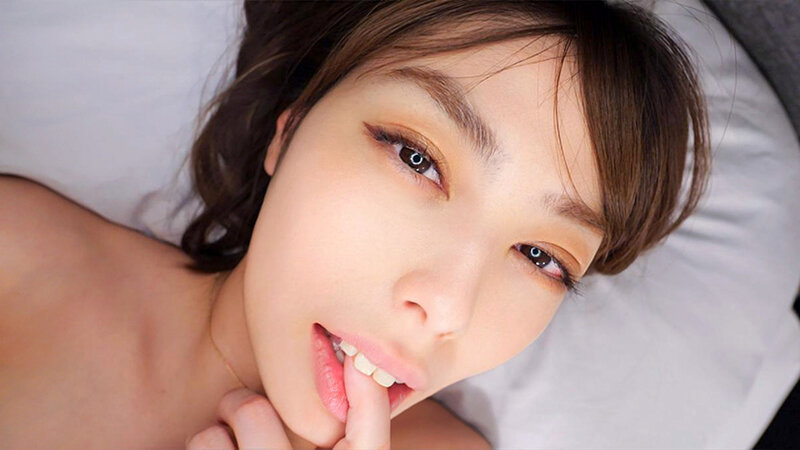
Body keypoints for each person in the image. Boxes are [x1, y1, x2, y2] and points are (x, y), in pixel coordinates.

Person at [0, 0, 711, 448]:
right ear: (291, 126)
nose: (448, 306)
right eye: (417, 158)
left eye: (539, 255)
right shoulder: (16, 265)